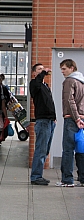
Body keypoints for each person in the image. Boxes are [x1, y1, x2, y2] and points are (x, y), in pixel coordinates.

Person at [56, 59, 84, 187]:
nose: (62, 71)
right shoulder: (81, 81)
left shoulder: (69, 81)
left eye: (64, 68)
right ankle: (82, 178)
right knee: (81, 150)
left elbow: (69, 100)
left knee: (68, 150)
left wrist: (76, 118)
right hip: (82, 119)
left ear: (72, 68)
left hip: (72, 119)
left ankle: (67, 179)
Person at [30, 63, 56, 186]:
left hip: (50, 121)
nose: (42, 71)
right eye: (39, 70)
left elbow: (50, 102)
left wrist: (54, 118)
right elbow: (38, 84)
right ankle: (36, 176)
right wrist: (43, 73)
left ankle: (38, 174)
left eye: (43, 69)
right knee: (40, 149)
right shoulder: (34, 84)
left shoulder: (45, 86)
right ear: (34, 73)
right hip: (43, 121)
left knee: (45, 150)